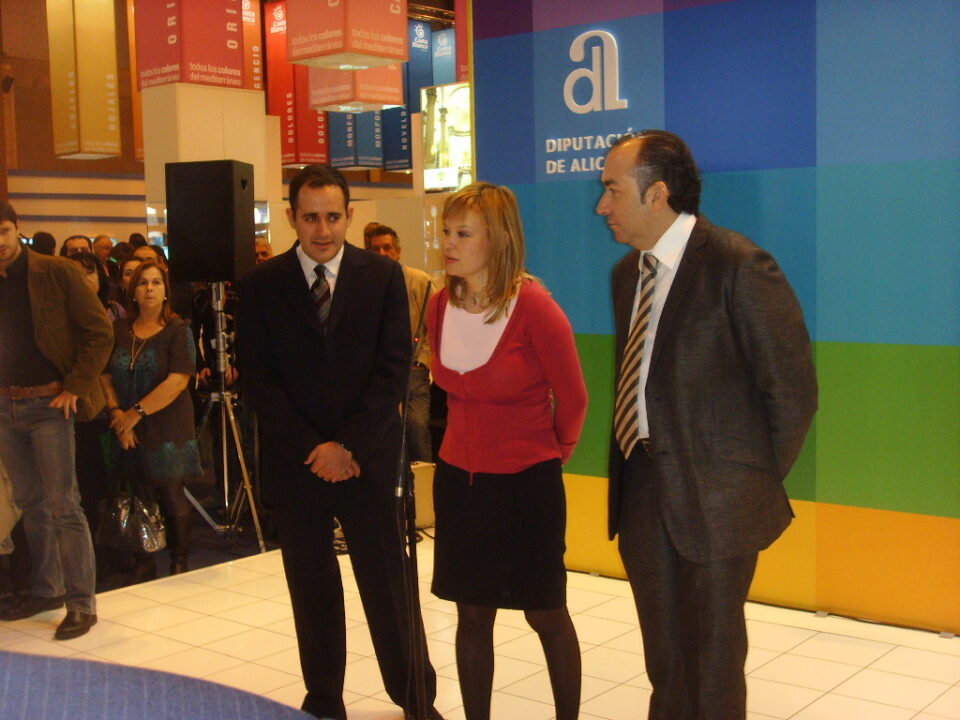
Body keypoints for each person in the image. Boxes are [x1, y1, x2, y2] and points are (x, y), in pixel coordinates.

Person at [598, 130, 818, 720]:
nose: (602, 206)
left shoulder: (739, 265)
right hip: (642, 486)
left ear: (657, 194)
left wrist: (744, 483)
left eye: (612, 191)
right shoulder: (628, 276)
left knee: (715, 663)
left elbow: (794, 394)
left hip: (719, 498)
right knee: (664, 660)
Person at [236, 164, 442, 720]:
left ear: (348, 215)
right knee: (313, 589)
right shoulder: (259, 286)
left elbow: (393, 369)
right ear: (291, 218)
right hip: (297, 464)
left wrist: (348, 446)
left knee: (388, 586)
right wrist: (315, 448)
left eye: (332, 216)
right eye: (310, 217)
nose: (322, 229)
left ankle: (415, 698)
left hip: (367, 460)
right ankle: (325, 702)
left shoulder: (382, 277)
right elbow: (256, 379)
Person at [427, 183, 588, 720]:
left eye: (462, 233)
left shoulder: (534, 306)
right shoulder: (437, 306)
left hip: (526, 485)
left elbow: (574, 398)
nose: (448, 243)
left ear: (497, 239)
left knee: (545, 612)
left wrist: (550, 456)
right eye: (446, 231)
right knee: (472, 613)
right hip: (458, 481)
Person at [0, 201, 112, 640]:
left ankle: (82, 602)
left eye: (3, 231)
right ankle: (48, 589)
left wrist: (75, 386)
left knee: (64, 504)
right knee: (30, 503)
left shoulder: (55, 271)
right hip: (5, 406)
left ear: (16, 229)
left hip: (50, 404)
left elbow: (99, 332)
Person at [99, 260, 201, 581]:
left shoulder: (177, 330)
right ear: (133, 291)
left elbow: (178, 381)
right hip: (124, 421)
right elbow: (103, 375)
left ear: (165, 290)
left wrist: (134, 415)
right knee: (135, 491)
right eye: (143, 283)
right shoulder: (118, 330)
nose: (149, 289)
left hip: (167, 423)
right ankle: (143, 557)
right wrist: (118, 414)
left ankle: (179, 560)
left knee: (171, 493)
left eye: (156, 283)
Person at [365, 224, 435, 462]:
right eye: (376, 249)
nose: (382, 253)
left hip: (413, 372)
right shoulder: (364, 286)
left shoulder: (420, 282)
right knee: (385, 433)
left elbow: (434, 329)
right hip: (380, 374)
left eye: (387, 247)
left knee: (415, 428)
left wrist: (422, 362)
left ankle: (424, 481)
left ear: (398, 251)